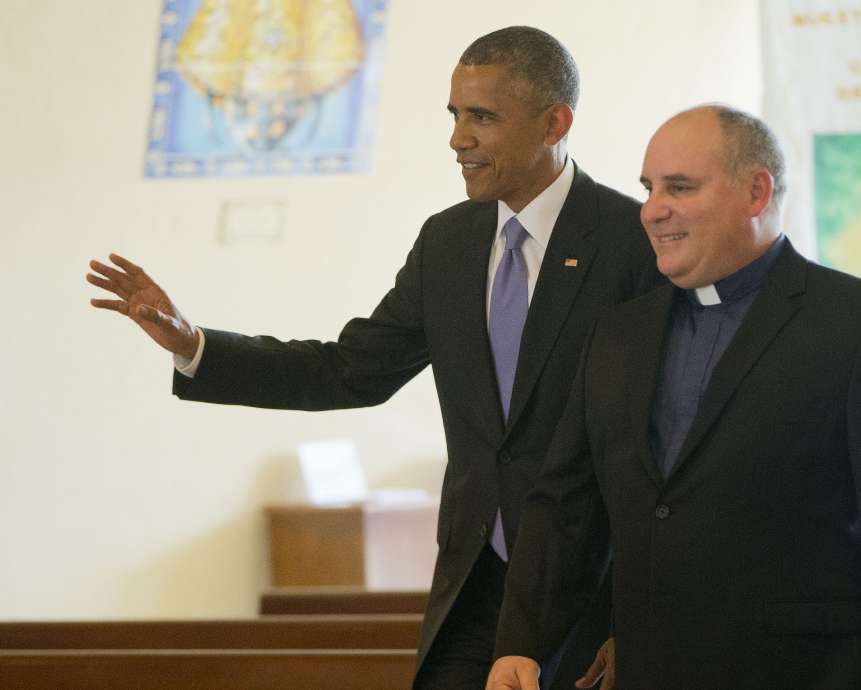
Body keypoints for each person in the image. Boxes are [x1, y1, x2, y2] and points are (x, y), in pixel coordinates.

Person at [86, 26, 660, 690]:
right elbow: (350, 369)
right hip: (475, 589)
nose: (457, 139)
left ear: (554, 121)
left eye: (482, 117)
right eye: (454, 115)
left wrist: (636, 620)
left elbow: (661, 449)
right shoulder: (448, 243)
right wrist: (196, 347)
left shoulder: (632, 244)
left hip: (590, 597)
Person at [486, 105, 861, 690]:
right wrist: (521, 643)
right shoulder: (617, 335)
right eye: (649, 188)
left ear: (756, 192)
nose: (652, 209)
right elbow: (565, 505)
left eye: (679, 187)